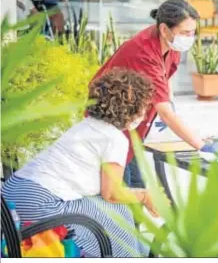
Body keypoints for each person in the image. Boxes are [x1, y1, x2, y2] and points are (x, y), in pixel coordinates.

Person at [2, 69, 161, 257]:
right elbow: (112, 194)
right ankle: (131, 256)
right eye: (143, 106)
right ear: (130, 108)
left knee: (106, 210)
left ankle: (137, 253)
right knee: (117, 210)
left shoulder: (83, 126)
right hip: (39, 203)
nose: (145, 113)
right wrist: (144, 195)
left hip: (9, 197)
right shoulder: (114, 138)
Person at [89, 0, 218, 188]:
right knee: (119, 194)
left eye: (192, 32)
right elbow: (164, 111)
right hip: (111, 123)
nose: (190, 37)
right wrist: (202, 146)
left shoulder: (171, 45)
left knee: (138, 184)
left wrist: (169, 101)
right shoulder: (144, 52)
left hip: (131, 125)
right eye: (185, 32)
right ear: (165, 29)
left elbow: (164, 80)